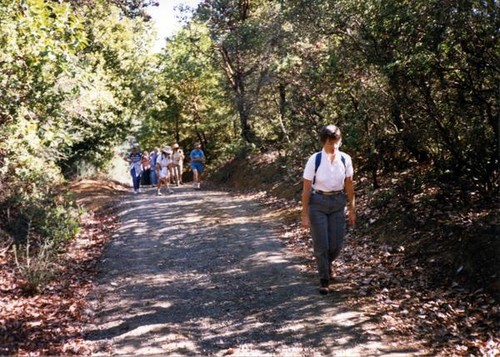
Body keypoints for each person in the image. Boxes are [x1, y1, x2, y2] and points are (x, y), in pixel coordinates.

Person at [301, 125, 356, 295]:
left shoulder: (345, 159)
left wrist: (352, 208)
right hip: (317, 202)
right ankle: (324, 279)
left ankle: (327, 264)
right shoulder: (314, 160)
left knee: (336, 244)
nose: (334, 146)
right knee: (321, 244)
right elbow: (306, 188)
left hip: (338, 202)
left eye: (336, 142)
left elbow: (349, 184)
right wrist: (304, 213)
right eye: (330, 143)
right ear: (324, 141)